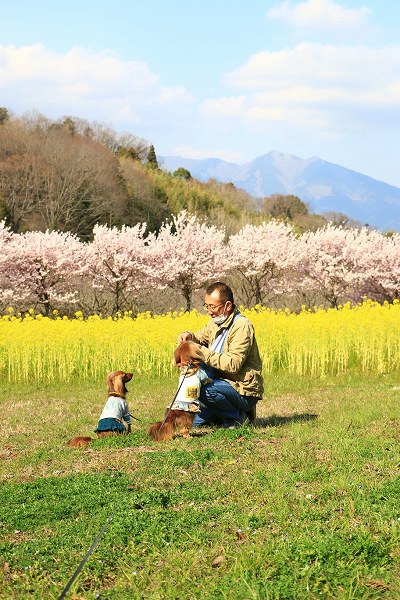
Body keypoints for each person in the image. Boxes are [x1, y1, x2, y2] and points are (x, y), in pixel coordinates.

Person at [177, 282, 263, 428]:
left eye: (212, 307)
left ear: (227, 306)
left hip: (240, 388)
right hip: (220, 382)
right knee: (197, 423)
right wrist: (188, 336)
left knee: (202, 389)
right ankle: (223, 413)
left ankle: (237, 417)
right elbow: (199, 337)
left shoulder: (242, 326)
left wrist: (200, 351)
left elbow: (233, 364)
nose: (209, 311)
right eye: (206, 306)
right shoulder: (215, 322)